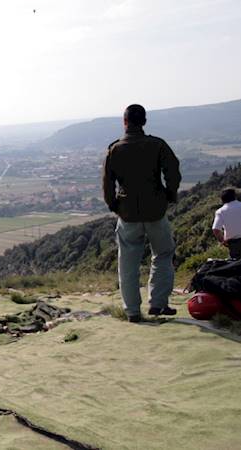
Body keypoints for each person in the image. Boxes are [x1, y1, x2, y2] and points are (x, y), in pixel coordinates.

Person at [103, 104, 181, 322]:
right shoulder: (157, 145)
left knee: (127, 263)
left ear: (124, 122)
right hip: (156, 209)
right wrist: (169, 194)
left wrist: (114, 205)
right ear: (144, 121)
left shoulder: (115, 149)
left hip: (127, 213)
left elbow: (107, 184)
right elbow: (173, 171)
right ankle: (158, 304)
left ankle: (133, 311)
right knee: (163, 254)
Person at [212, 188, 241, 259]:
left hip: (234, 244)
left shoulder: (220, 211)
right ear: (235, 196)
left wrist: (222, 241)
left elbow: (215, 229)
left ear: (222, 199)